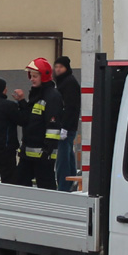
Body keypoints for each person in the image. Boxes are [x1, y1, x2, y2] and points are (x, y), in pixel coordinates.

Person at [12, 58, 63, 190]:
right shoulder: (36, 94)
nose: (32, 79)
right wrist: (22, 102)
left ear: (44, 76)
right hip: (28, 153)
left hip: (43, 155)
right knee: (20, 185)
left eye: (35, 76)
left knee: (46, 189)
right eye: (31, 76)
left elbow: (53, 127)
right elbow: (27, 119)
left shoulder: (52, 96)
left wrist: (47, 150)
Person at [53, 56, 80, 191]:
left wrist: (64, 126)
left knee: (63, 158)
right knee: (68, 155)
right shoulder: (64, 82)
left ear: (66, 68)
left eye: (60, 67)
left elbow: (70, 107)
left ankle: (64, 186)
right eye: (56, 67)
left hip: (66, 126)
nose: (57, 69)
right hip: (68, 126)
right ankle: (70, 181)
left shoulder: (68, 83)